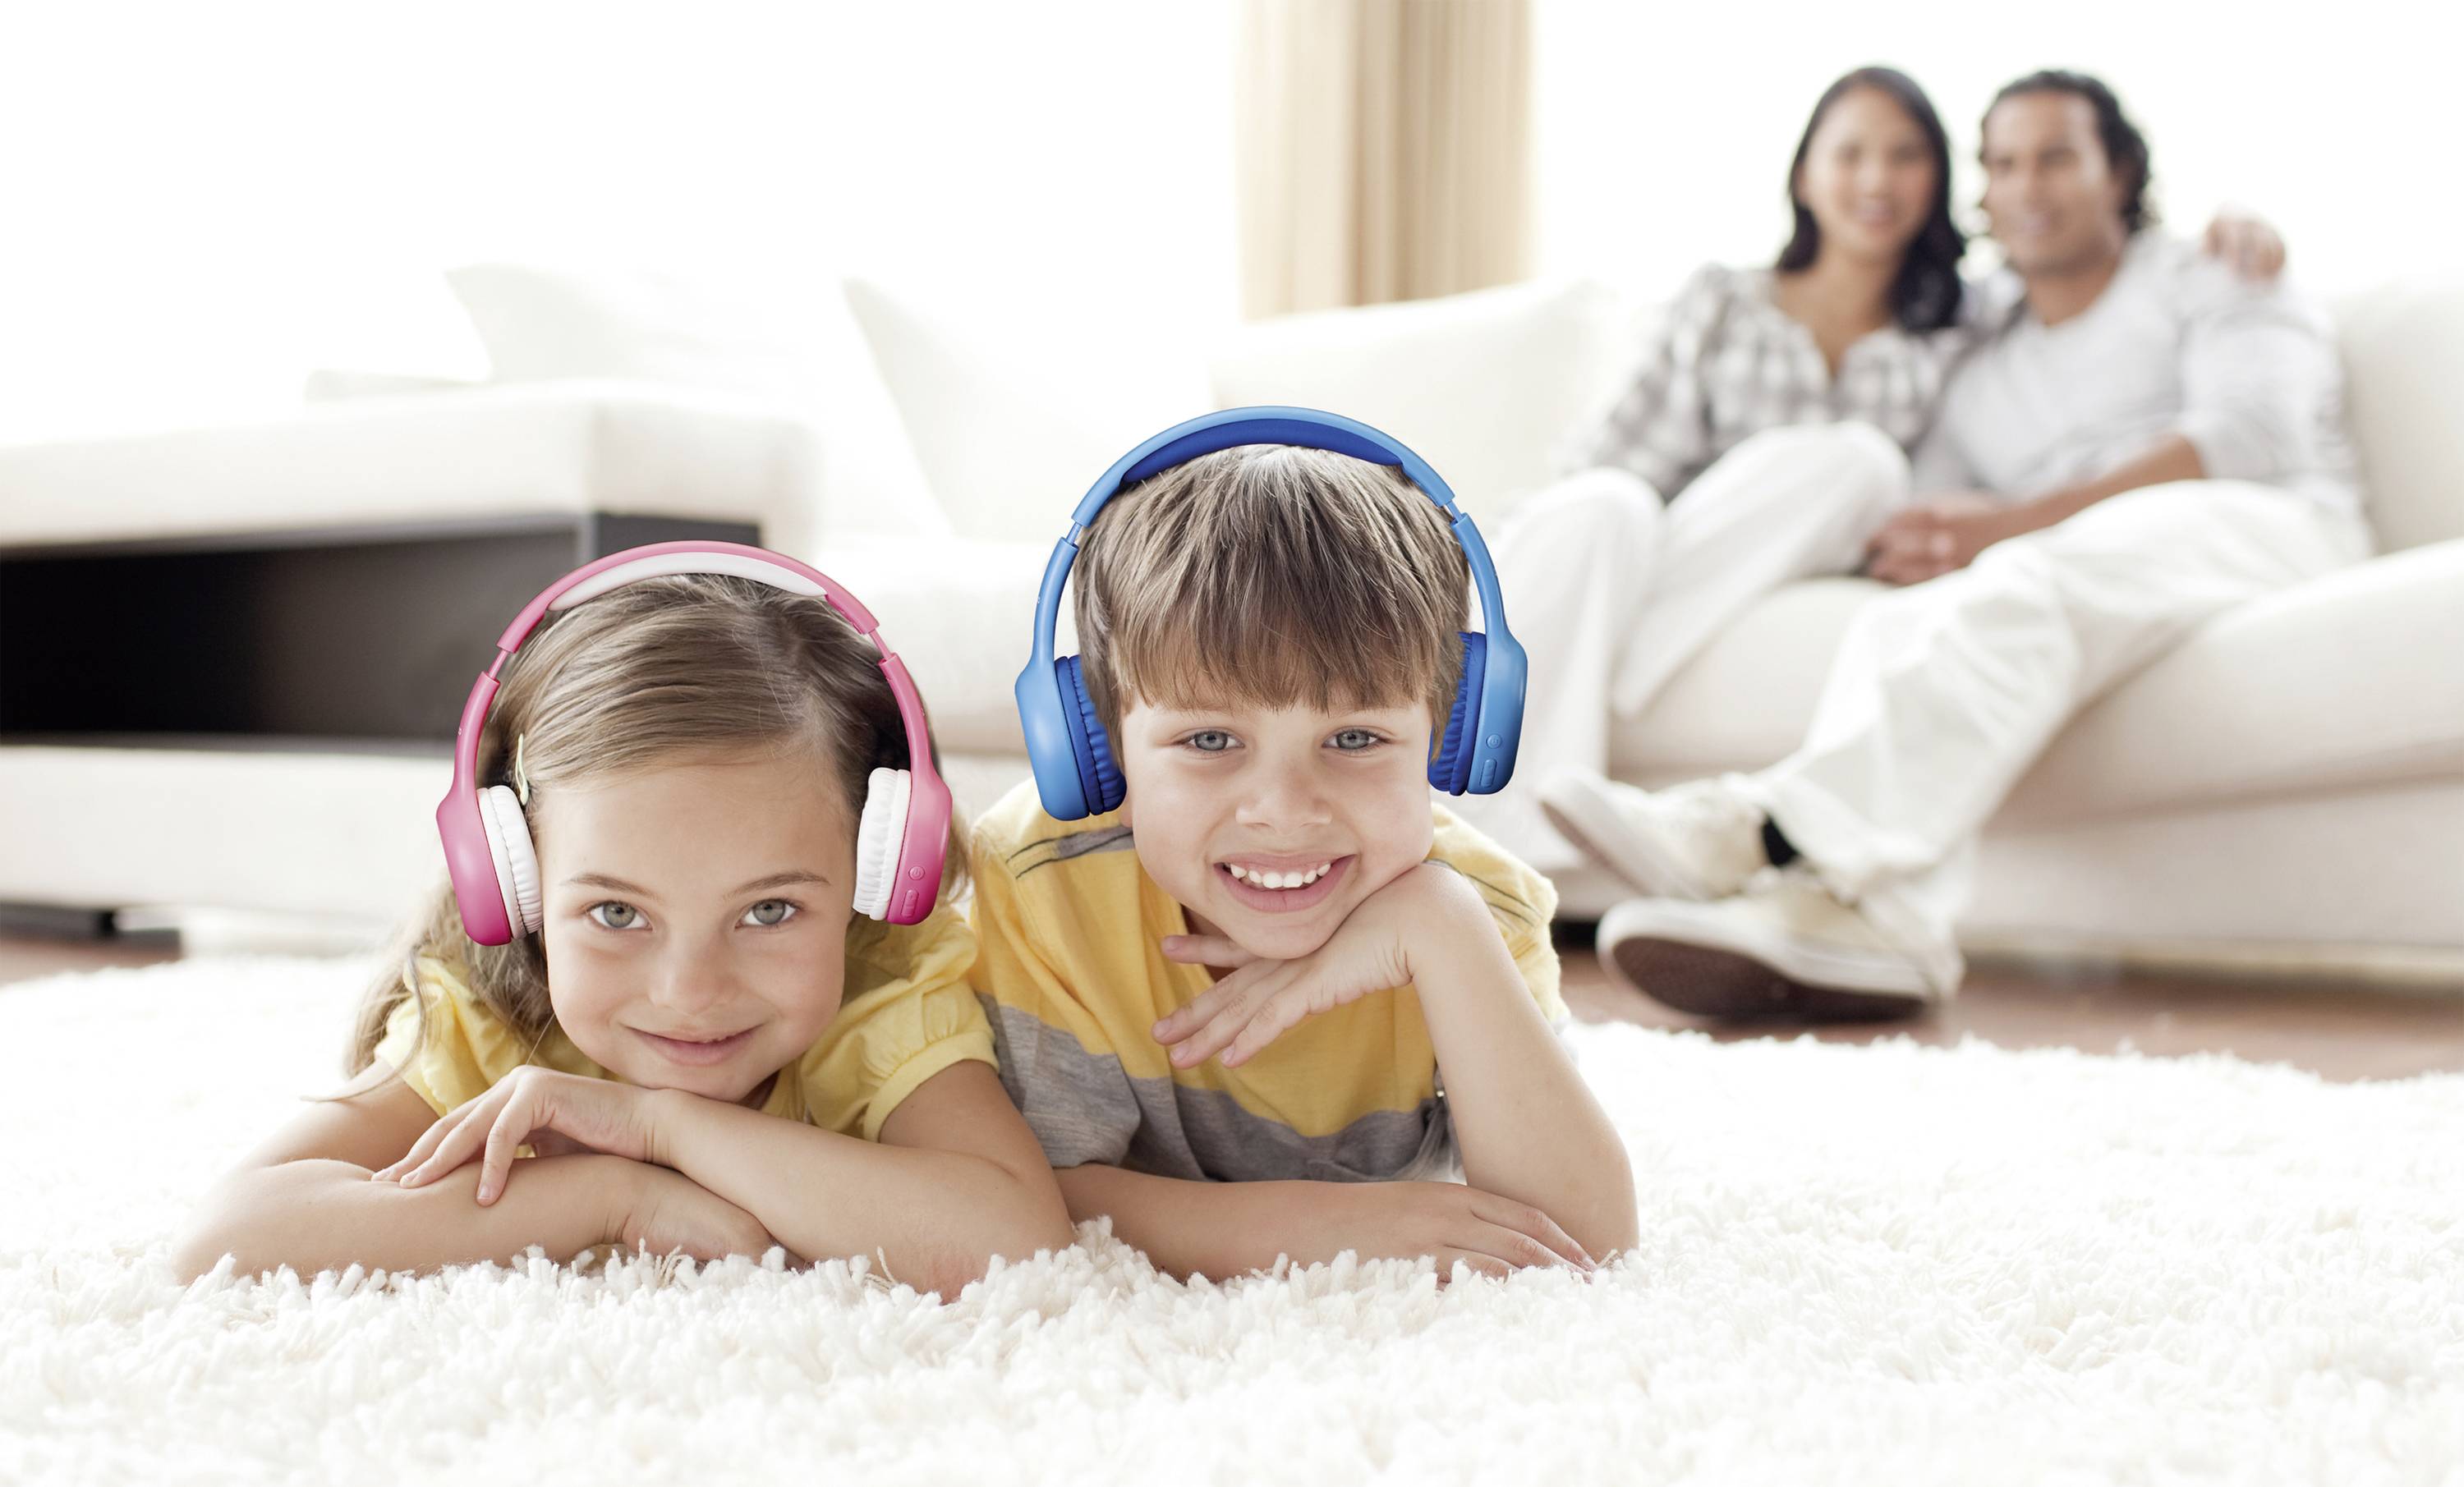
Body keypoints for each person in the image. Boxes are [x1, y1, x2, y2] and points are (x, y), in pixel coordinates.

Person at [1549, 71, 2369, 1019]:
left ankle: (1764, 831)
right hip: (2099, 557)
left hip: (2269, 523)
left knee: (2034, 570)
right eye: (2003, 164)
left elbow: (2253, 436)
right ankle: (1876, 924)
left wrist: (2017, 521)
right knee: (1902, 625)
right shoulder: (1985, 349)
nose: (2027, 187)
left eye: (2057, 157)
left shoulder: (2209, 267)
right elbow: (1936, 511)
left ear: (2121, 173)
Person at [173, 544, 1074, 1287]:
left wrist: (662, 1125)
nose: (691, 991)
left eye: (769, 909)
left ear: (875, 870)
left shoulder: (881, 989)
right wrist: (613, 1195)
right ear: (513, 878)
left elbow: (1016, 1240)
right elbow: (226, 1236)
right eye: (615, 910)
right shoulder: (490, 1019)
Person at [1461, 65, 2285, 877]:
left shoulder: (1967, 321)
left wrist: (2233, 221)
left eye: (1905, 156)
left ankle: (1555, 779)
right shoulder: (1725, 300)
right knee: (1604, 503)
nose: (1875, 179)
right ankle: (1492, 836)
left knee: (1859, 460)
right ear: (1805, 177)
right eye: (1849, 153)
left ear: (1938, 183)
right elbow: (1608, 463)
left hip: (1811, 551)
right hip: (1660, 544)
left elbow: (2074, 277)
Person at [970, 411, 1638, 1281]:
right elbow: (1028, 1197)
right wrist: (1323, 1223)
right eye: (1210, 740)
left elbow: (1586, 1233)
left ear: (1451, 738)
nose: (1284, 811)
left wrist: (1437, 926)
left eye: (1356, 740)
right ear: (1097, 748)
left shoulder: (1482, 907)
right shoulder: (1039, 889)